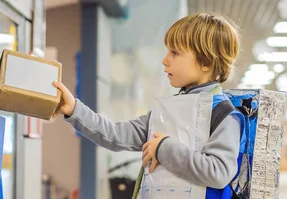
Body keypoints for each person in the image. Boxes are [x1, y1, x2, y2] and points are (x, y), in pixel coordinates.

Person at [53, 12, 243, 199]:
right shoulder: (168, 111)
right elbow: (115, 135)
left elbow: (218, 172)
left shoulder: (223, 115)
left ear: (206, 62)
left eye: (175, 53)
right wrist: (74, 109)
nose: (165, 59)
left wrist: (164, 148)